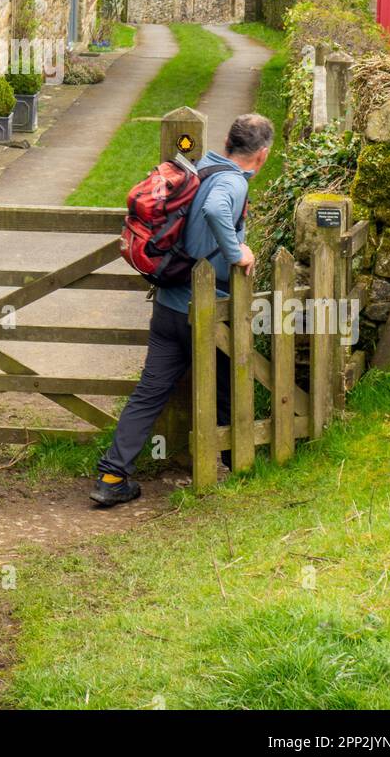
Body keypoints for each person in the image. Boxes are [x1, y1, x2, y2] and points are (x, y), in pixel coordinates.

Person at [90, 112, 274, 507]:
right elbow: (214, 212)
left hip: (169, 305)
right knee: (226, 388)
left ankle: (111, 475)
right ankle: (236, 464)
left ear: (227, 141)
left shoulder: (201, 167)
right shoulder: (232, 182)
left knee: (149, 394)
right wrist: (236, 252)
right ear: (261, 154)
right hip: (206, 311)